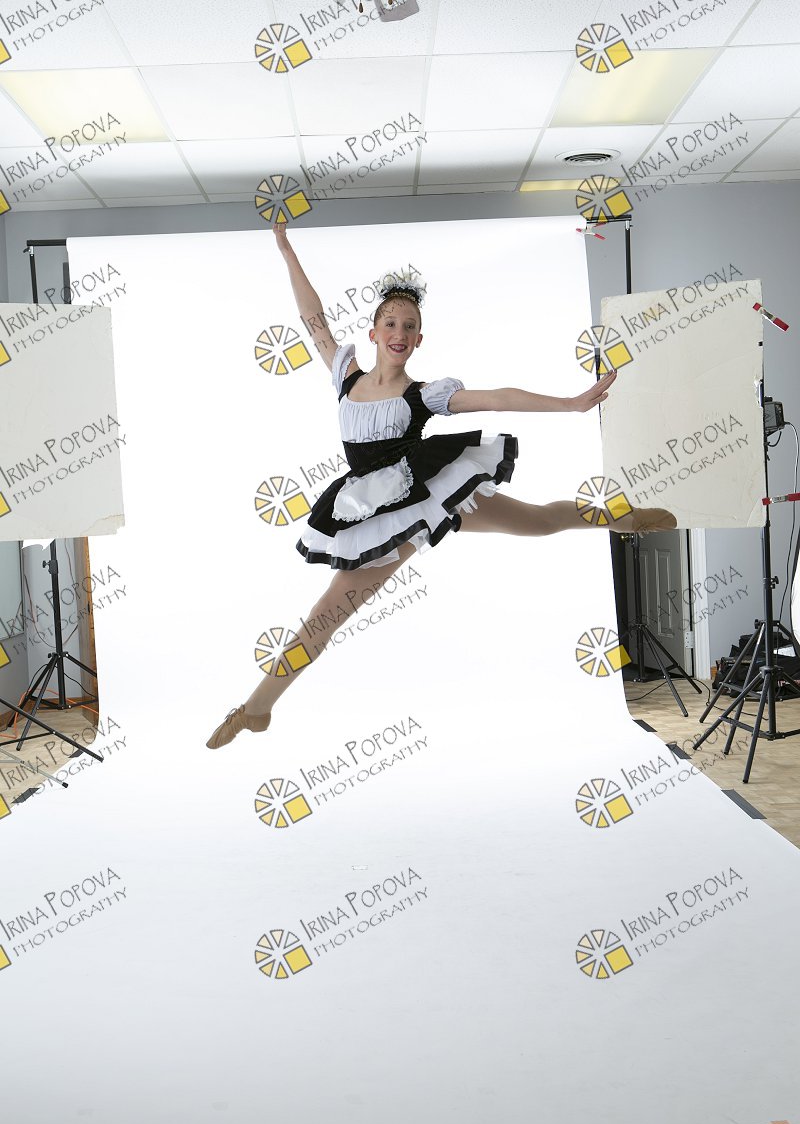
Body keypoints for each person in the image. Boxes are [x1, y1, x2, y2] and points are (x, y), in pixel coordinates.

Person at [204, 224, 675, 750]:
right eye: (390, 323)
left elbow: (497, 397)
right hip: (371, 511)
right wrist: (286, 250)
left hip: (426, 492)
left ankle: (627, 518)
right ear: (374, 332)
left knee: (540, 521)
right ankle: (256, 709)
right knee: (325, 617)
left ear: (418, 339)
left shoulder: (424, 394)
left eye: (410, 326)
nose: (399, 332)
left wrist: (570, 404)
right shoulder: (345, 376)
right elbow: (312, 317)